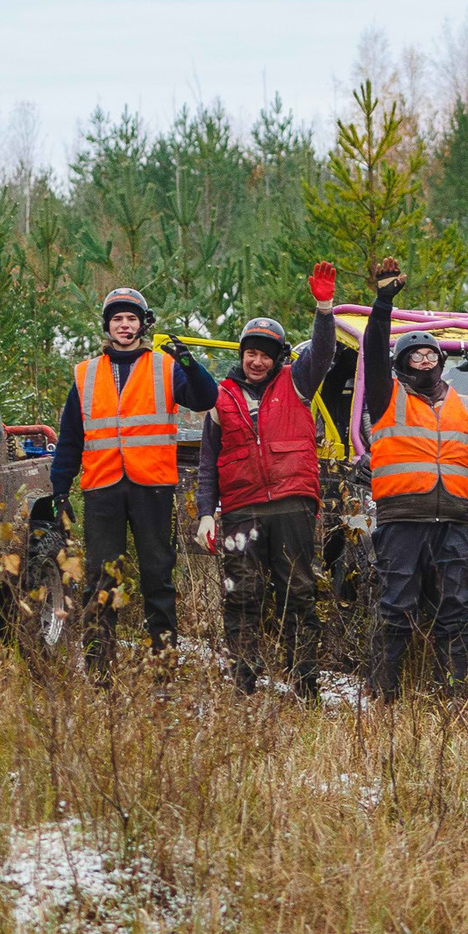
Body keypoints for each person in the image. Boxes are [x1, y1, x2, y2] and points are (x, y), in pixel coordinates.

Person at [53, 287, 220, 676]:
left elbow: (206, 398)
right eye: (117, 319)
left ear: (143, 324)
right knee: (100, 581)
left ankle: (163, 668)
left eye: (131, 318)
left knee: (157, 578)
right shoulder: (85, 373)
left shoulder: (166, 366)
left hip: (152, 487)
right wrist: (60, 488)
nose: (124, 325)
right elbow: (70, 438)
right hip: (102, 489)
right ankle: (99, 673)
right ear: (107, 326)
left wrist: (191, 364)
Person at [192, 264, 339, 696]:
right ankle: (244, 682)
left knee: (298, 594)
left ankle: (305, 682)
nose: (257, 361)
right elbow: (207, 463)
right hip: (241, 512)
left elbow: (326, 351)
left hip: (292, 504)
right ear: (241, 355)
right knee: (241, 595)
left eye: (266, 354)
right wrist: (206, 514)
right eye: (250, 353)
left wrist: (324, 309)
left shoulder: (298, 383)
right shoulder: (220, 398)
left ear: (278, 357)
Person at [360, 258, 468, 699]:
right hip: (403, 522)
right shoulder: (387, 397)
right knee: (395, 607)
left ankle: (453, 692)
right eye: (414, 356)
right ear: (401, 364)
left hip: (455, 527)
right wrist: (383, 303)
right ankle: (385, 692)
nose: (423, 362)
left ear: (440, 362)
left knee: (458, 610)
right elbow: (372, 348)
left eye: (430, 356)